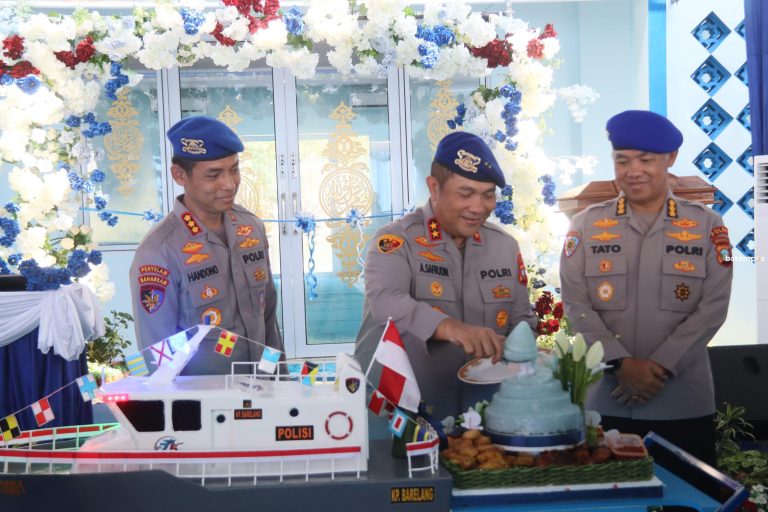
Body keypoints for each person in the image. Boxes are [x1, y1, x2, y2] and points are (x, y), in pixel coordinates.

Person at [560, 110, 733, 465]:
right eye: (622, 160)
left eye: (646, 159)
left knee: (690, 501)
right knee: (609, 503)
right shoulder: (587, 225)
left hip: (682, 399)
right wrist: (620, 363)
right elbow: (576, 302)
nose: (632, 170)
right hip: (608, 398)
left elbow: (713, 306)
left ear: (670, 159)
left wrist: (660, 366)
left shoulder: (706, 225)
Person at [355, 132, 537, 420]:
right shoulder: (396, 241)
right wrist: (452, 327)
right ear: (434, 187)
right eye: (465, 194)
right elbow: (386, 302)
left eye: (487, 194)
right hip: (404, 417)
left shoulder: (504, 247)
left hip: (484, 416)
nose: (478, 207)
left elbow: (522, 322)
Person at [129, 116, 283, 374]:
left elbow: (267, 319)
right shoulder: (159, 251)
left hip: (261, 392)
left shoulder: (250, 228)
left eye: (234, 169)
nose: (229, 184)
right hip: (202, 404)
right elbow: (159, 353)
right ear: (179, 175)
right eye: (214, 174)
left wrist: (279, 382)